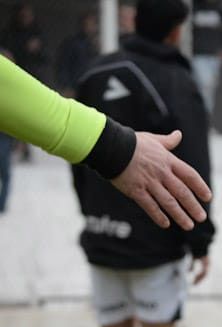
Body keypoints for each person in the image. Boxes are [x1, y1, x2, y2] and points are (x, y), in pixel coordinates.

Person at [55, 0, 216, 327]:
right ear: (177, 30)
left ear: (132, 20)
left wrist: (93, 216)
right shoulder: (176, 81)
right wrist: (201, 237)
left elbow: (71, 150)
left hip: (101, 236)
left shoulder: (94, 73)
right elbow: (194, 161)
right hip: (155, 237)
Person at [0, 55, 211, 228]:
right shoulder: (175, 79)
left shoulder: (96, 69)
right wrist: (115, 148)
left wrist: (113, 148)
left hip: (103, 237)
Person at [55, 10, 99, 97]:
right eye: (87, 24)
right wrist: (66, 86)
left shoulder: (97, 43)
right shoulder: (72, 43)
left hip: (92, 85)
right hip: (75, 87)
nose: (90, 27)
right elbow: (63, 65)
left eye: (92, 24)